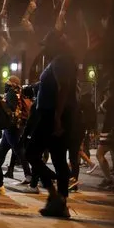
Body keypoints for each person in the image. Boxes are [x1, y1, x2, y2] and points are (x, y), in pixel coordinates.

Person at [26, 29, 78, 218]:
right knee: (57, 157)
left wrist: (57, 117)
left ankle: (54, 193)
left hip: (51, 115)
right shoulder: (63, 60)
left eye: (47, 45)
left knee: (31, 152)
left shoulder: (60, 61)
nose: (45, 48)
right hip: (57, 114)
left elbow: (63, 88)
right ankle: (60, 202)